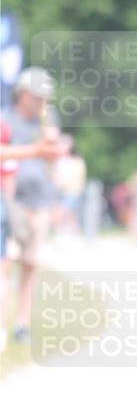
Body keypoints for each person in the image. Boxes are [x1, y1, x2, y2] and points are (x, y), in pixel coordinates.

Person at [3, 67, 60, 343]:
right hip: (11, 202)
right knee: (5, 262)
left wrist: (52, 140)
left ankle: (21, 323)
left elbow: (54, 159)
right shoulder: (6, 118)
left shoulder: (48, 120)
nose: (42, 101)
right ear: (23, 94)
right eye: (38, 96)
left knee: (30, 265)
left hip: (40, 202)